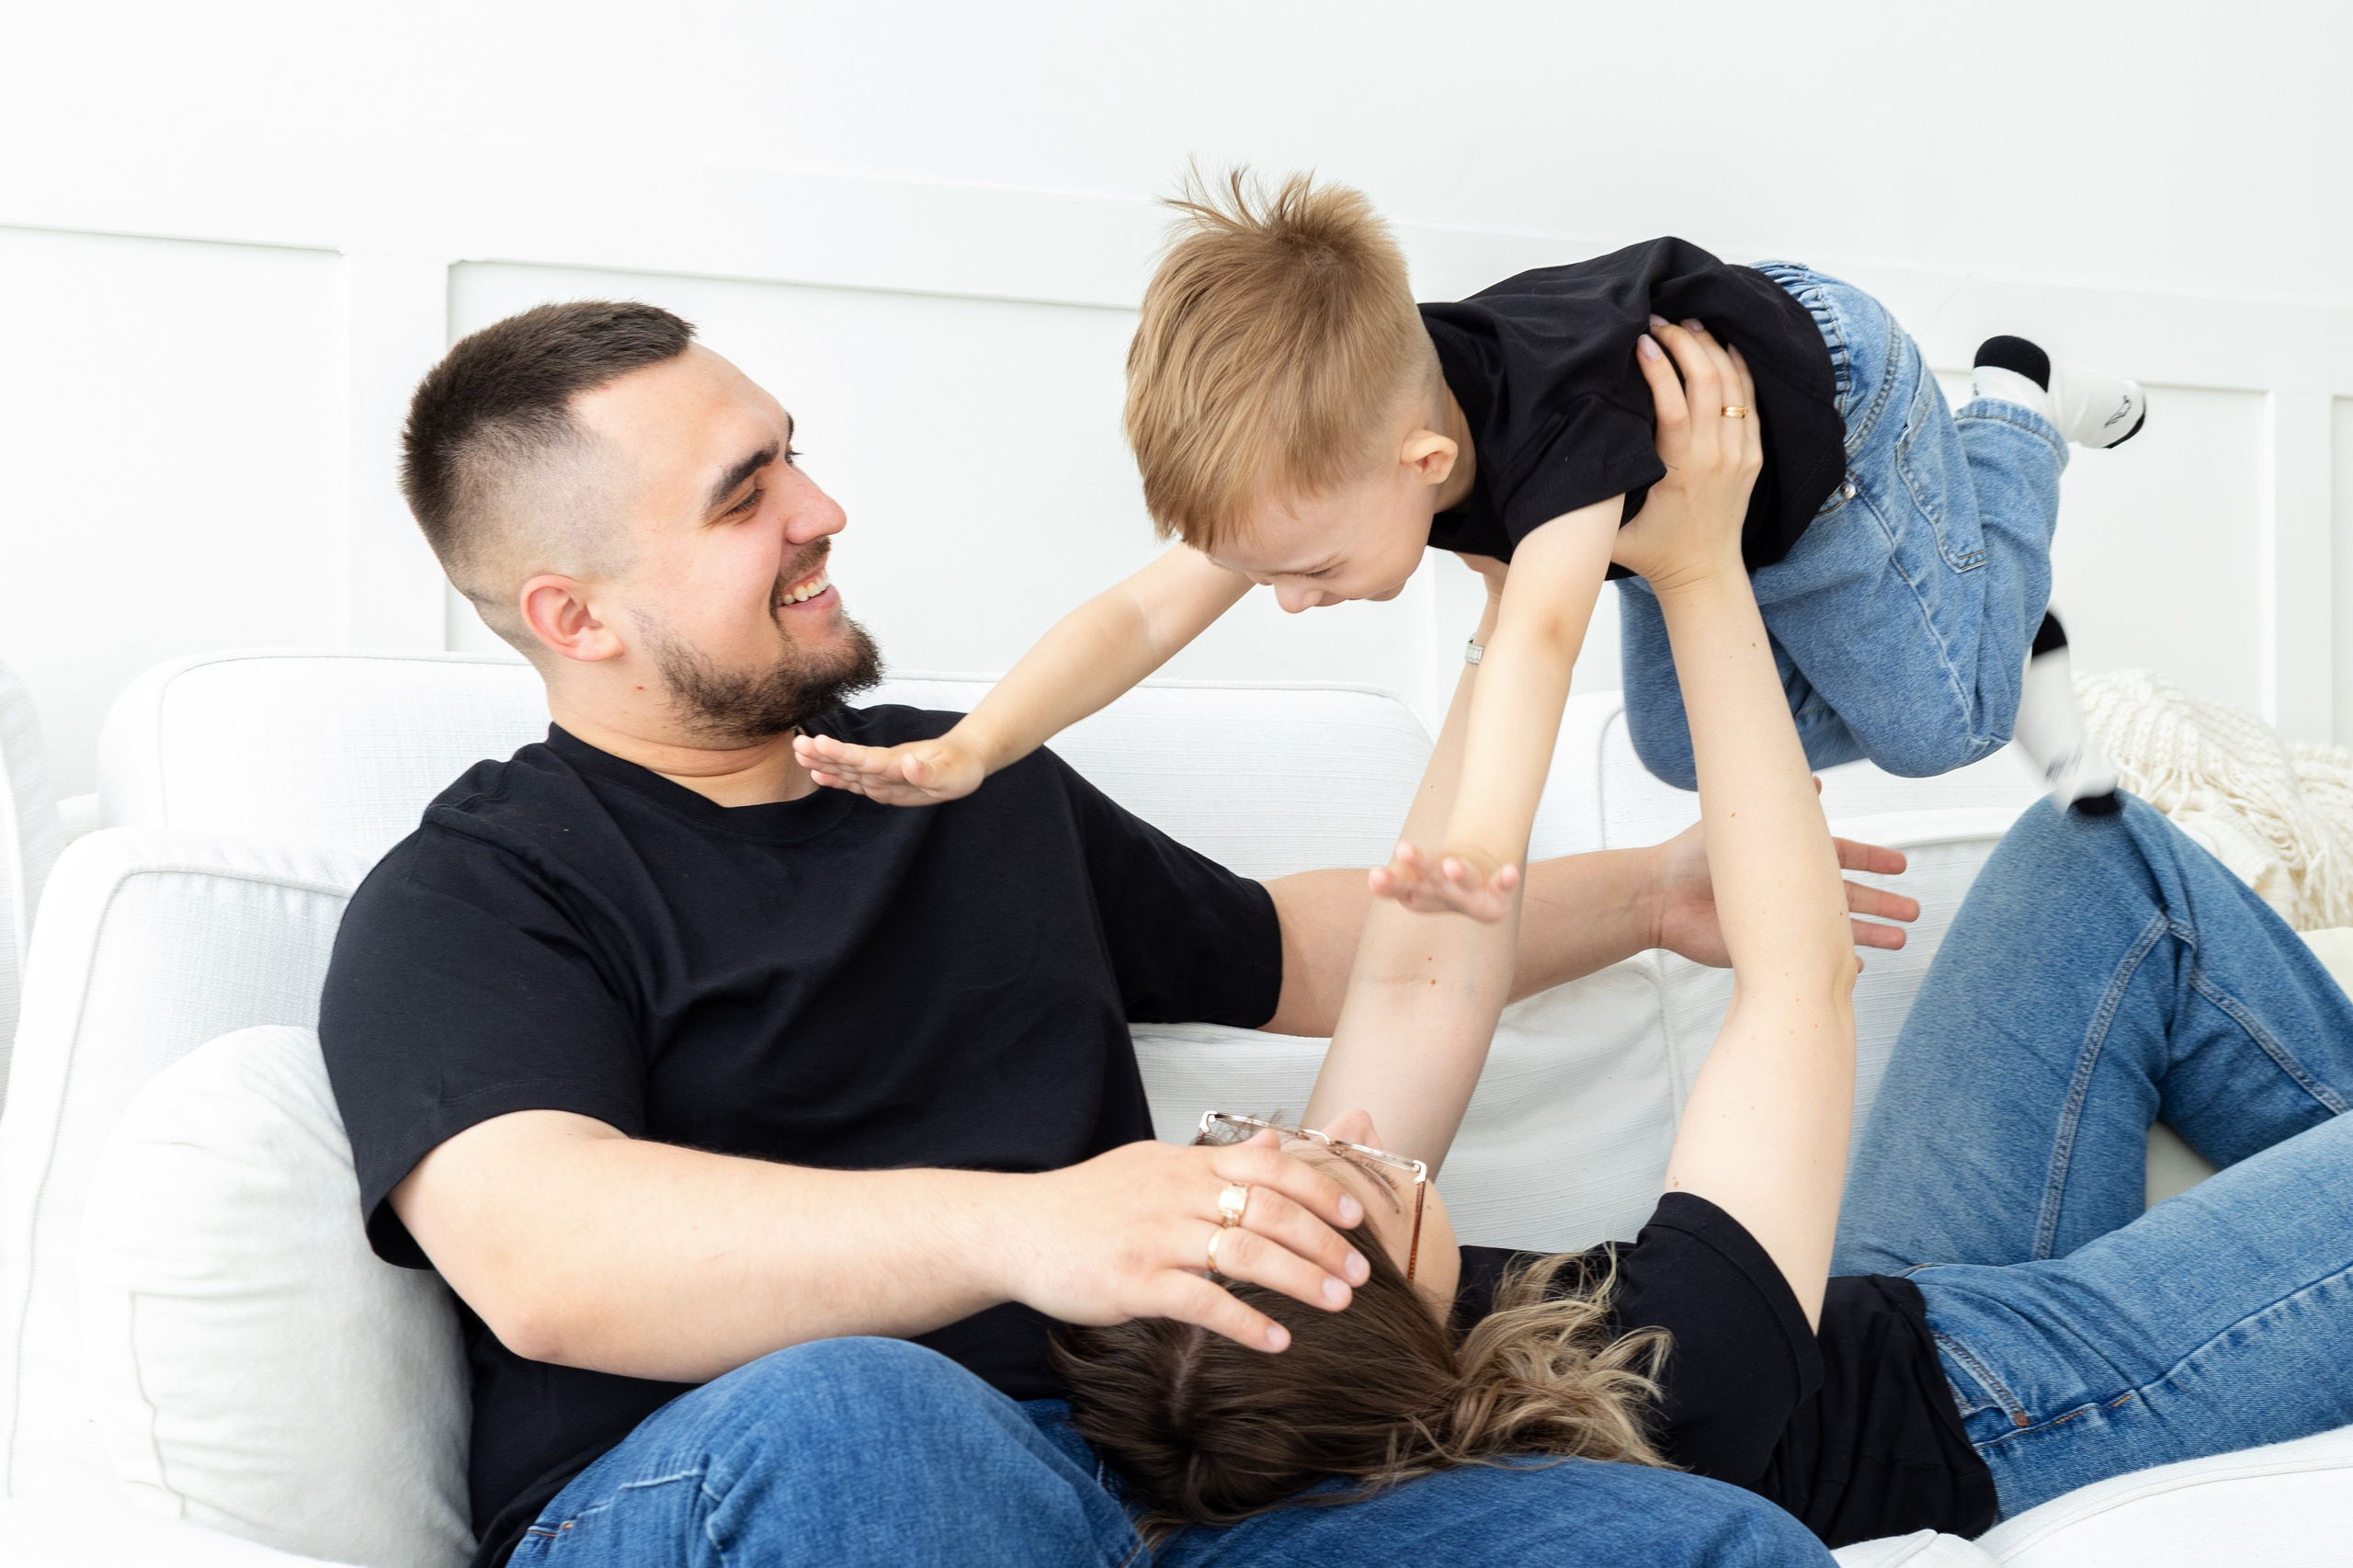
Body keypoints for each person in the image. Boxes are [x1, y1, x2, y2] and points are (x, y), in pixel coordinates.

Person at [320, 299, 1909, 1567]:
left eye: (792, 454)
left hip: (1154, 1485)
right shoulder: (475, 891)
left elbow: (1293, 950)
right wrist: (1028, 1228)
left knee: (1702, 1537)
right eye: (748, 499)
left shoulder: (960, 780)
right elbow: (548, 1256)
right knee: (867, 1417)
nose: (824, 509)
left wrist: (1645, 894)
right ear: (573, 614)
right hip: (753, 1491)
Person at [1052, 323, 2353, 1550]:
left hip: (1870, 1303)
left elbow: (1420, 962)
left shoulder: (1340, 1321)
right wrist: (1698, 566)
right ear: (1390, 1314)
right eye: (1337, 1182)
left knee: (2098, 854)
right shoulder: (1682, 1369)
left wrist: (1506, 608)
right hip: (2029, 1398)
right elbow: (1798, 981)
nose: (1320, 1136)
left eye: (1244, 1144)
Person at [797, 169, 2143, 930]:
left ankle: (2015, 411)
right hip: (1694, 497)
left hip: (1832, 414)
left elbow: (1542, 639)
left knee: (1945, 722)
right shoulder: (1345, 428)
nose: (1288, 604)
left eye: (1309, 572)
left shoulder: (1550, 457)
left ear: (1430, 470)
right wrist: (979, 743)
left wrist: (1483, 851)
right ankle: (1975, 595)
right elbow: (1143, 616)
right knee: (1678, 749)